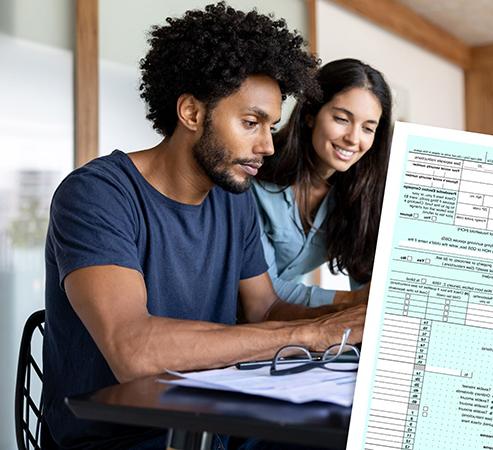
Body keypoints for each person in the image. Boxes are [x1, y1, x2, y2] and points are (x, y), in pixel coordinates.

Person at [42, 4, 365, 449]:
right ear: (192, 113)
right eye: (251, 123)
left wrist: (353, 317)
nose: (267, 146)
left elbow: (264, 310)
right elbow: (133, 350)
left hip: (215, 425)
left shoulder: (233, 200)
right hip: (120, 441)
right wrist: (313, 335)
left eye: (271, 126)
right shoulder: (98, 194)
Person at [252, 58, 392, 307]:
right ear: (310, 115)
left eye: (368, 129)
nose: (353, 139)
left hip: (284, 326)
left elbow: (367, 283)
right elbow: (264, 291)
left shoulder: (358, 197)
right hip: (226, 320)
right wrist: (351, 300)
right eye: (342, 119)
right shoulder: (256, 176)